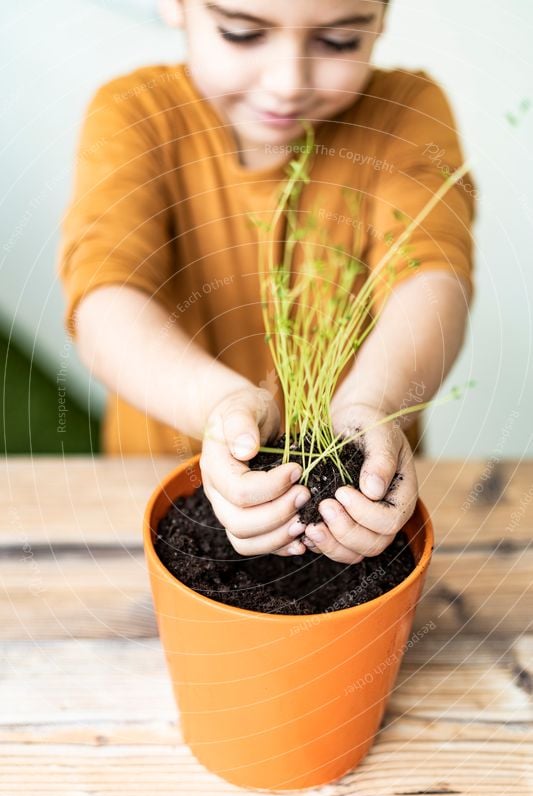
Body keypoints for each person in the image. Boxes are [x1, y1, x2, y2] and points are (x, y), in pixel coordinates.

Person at [58, 0, 475, 564]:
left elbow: (433, 279)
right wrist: (221, 406)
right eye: (242, 33)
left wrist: (373, 401)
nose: (288, 83)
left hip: (362, 513)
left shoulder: (407, 114)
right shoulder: (135, 116)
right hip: (157, 488)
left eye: (338, 42)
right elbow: (104, 297)